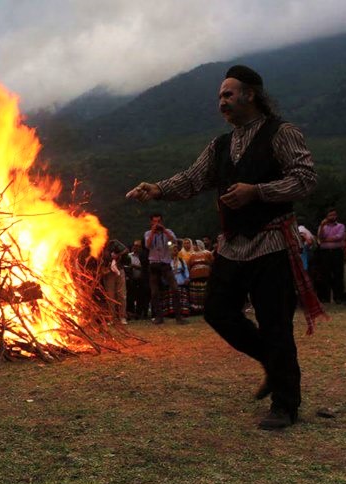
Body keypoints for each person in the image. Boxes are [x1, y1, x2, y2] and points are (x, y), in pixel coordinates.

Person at [126, 65, 322, 430]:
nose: (222, 103)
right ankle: (270, 359)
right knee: (217, 311)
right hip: (234, 246)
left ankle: (285, 404)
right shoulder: (221, 145)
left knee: (276, 323)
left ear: (250, 94)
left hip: (272, 241)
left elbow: (305, 179)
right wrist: (157, 189)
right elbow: (192, 179)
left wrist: (258, 191)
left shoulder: (281, 133)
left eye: (228, 95)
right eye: (220, 97)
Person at [143, 213, 187, 325]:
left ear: (162, 222)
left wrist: (164, 231)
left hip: (166, 264)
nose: (157, 223)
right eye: (154, 221)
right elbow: (147, 245)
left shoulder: (168, 232)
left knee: (175, 289)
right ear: (151, 222)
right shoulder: (148, 233)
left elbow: (174, 241)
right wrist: (153, 231)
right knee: (154, 292)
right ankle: (159, 317)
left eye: (159, 221)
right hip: (154, 264)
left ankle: (179, 316)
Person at [317, 209, 346, 303]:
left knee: (338, 274)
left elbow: (339, 237)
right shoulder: (323, 226)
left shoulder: (340, 226)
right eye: (330, 215)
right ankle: (325, 297)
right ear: (327, 217)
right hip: (325, 253)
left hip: (337, 252)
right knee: (325, 274)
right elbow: (320, 237)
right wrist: (321, 226)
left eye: (334, 215)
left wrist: (325, 240)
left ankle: (338, 297)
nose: (332, 217)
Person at [101, 239, 129, 324]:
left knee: (122, 295)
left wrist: (117, 255)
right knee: (110, 296)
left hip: (119, 270)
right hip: (108, 273)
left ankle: (122, 317)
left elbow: (126, 250)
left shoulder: (114, 243)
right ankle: (111, 318)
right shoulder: (98, 247)